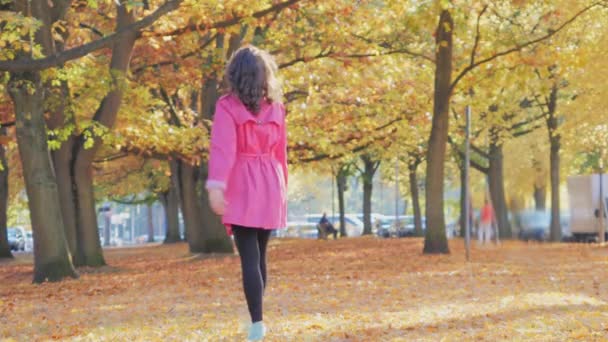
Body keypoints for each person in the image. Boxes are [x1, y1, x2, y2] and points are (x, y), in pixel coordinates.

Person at [206, 45, 287, 341]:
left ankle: (257, 324)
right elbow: (281, 153)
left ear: (235, 75)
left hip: (242, 182)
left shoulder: (227, 106)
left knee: (249, 257)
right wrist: (283, 190)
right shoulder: (276, 107)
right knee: (260, 256)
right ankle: (258, 322)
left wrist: (217, 185)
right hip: (270, 182)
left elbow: (223, 149)